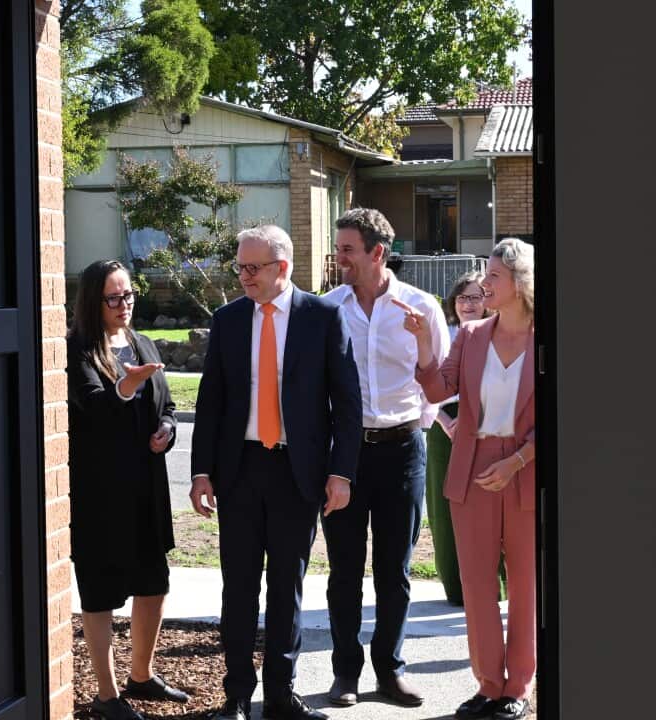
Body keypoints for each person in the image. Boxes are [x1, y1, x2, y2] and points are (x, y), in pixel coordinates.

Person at [190, 225, 362, 720]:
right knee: (238, 586)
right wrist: (202, 472)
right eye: (239, 266)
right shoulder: (228, 319)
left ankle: (281, 695)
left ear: (281, 267)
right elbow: (212, 402)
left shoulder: (322, 316)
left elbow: (347, 403)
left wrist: (341, 473)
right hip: (239, 470)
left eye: (252, 267)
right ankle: (237, 696)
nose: (243, 275)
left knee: (287, 586)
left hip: (297, 472)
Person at [394, 238, 537, 720]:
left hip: (525, 468)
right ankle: (488, 686)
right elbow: (437, 389)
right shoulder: (471, 336)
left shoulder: (547, 337)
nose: (483, 284)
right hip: (472, 470)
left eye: (493, 277)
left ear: (520, 284)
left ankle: (518, 687)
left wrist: (517, 461)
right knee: (477, 586)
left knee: (525, 586)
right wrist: (423, 343)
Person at [321, 208, 450, 708]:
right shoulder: (328, 308)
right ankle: (345, 673)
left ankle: (390, 671)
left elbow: (436, 378)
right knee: (344, 570)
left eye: (348, 249)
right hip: (345, 457)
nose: (339, 258)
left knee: (394, 571)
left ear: (377, 253)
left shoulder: (421, 307)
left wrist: (413, 428)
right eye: (339, 249)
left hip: (402, 451)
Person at [67, 259, 188, 720]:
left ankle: (142, 675)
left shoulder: (142, 342)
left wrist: (168, 429)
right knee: (100, 591)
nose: (124, 305)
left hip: (146, 488)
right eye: (113, 298)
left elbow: (169, 405)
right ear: (93, 302)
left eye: (128, 296)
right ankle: (107, 695)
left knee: (153, 584)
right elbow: (94, 410)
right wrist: (124, 386)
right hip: (101, 494)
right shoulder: (77, 349)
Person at [425, 272, 500, 607]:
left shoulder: (498, 335)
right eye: (462, 297)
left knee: (489, 504)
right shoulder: (442, 334)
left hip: (488, 423)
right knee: (445, 507)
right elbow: (423, 383)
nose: (468, 304)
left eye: (475, 297)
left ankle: (497, 585)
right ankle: (455, 588)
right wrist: (442, 420)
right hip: (444, 424)